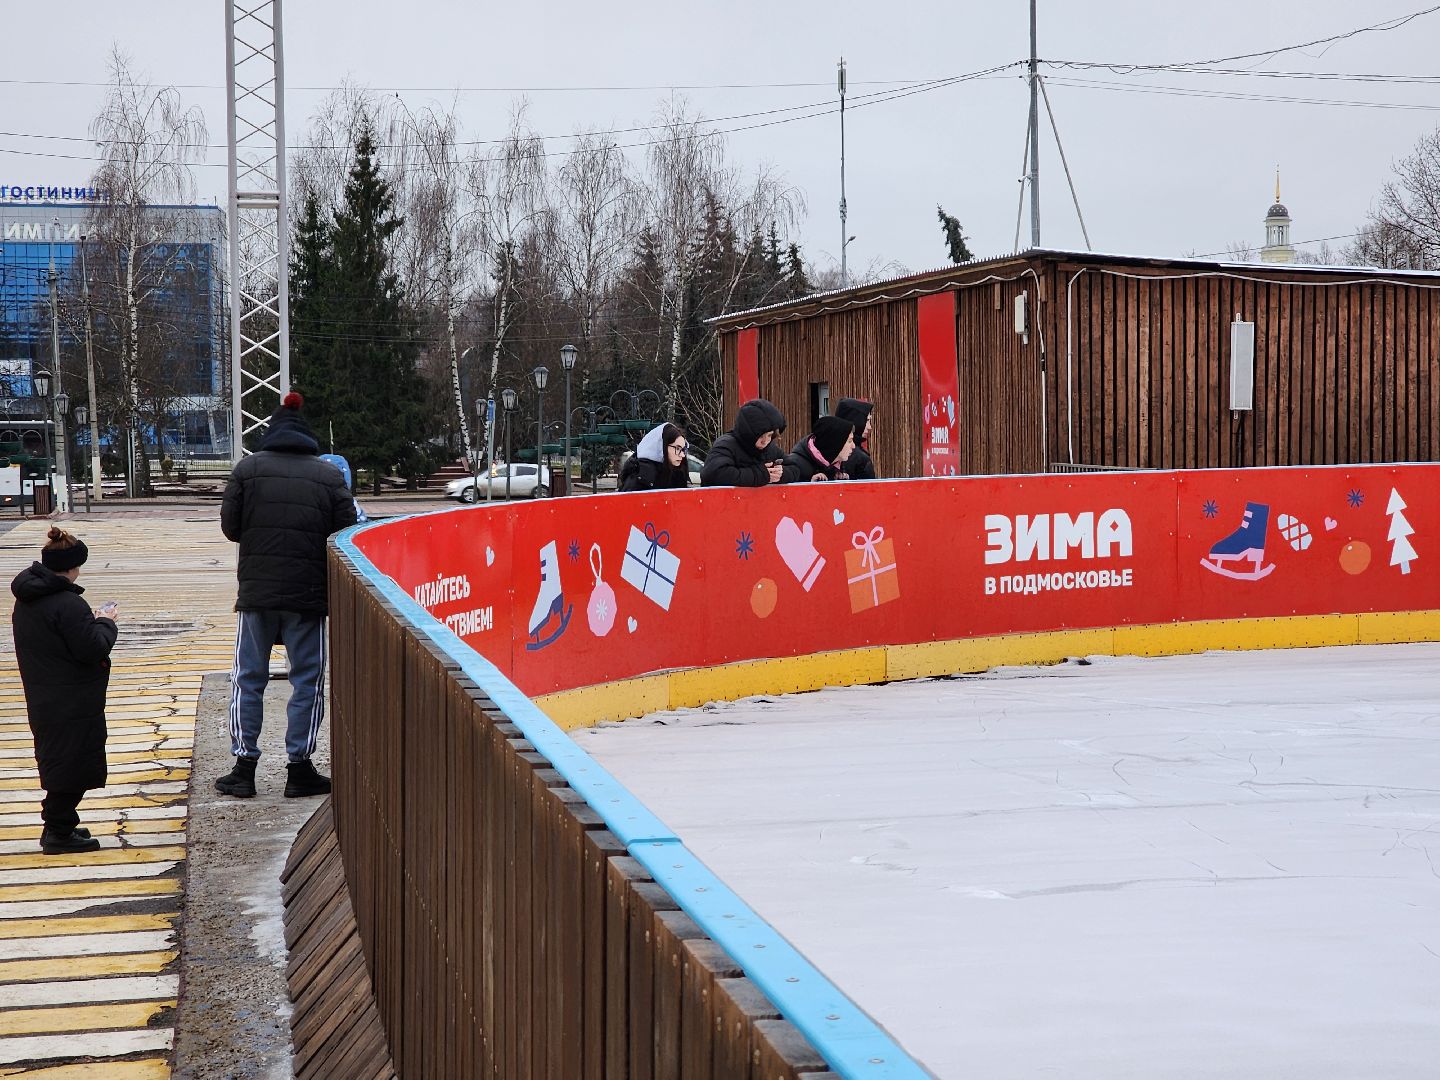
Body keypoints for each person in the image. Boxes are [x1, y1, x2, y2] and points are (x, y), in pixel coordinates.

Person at [218, 392, 358, 799]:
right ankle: (300, 769)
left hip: (256, 595)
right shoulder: (328, 476)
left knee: (247, 678)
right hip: (308, 597)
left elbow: (230, 528)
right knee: (308, 681)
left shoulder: (247, 470)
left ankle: (243, 769)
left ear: (271, 433)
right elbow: (345, 536)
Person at [10, 527, 118, 854]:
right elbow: (92, 649)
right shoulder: (67, 604)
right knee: (74, 763)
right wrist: (106, 621)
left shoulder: (29, 598)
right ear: (71, 568)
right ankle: (57, 830)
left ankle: (62, 823)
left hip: (47, 695)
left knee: (60, 759)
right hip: (71, 699)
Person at [700, 398, 787, 487]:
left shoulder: (770, 449)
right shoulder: (726, 445)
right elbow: (713, 474)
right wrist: (760, 475)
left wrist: (779, 474)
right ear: (749, 434)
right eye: (760, 436)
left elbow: (794, 467)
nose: (765, 441)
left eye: (769, 435)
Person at [619, 423, 692, 492]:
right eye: (677, 448)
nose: (682, 455)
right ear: (662, 447)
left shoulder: (677, 474)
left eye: (683, 449)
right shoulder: (640, 477)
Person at [782, 415, 856, 482]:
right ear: (835, 444)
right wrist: (809, 485)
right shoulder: (795, 465)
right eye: (849, 441)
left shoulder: (838, 463)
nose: (853, 446)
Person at [834, 398, 877, 479]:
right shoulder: (860, 459)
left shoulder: (827, 451)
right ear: (855, 420)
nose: (869, 427)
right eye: (866, 420)